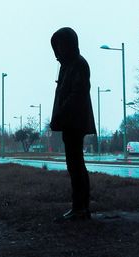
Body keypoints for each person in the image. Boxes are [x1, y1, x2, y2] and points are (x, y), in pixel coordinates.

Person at [50, 27, 96, 221]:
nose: (58, 49)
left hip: (74, 121)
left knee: (76, 165)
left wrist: (61, 113)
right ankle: (79, 207)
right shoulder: (69, 65)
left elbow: (78, 94)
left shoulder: (78, 64)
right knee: (74, 165)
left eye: (61, 45)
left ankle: (81, 208)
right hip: (70, 121)